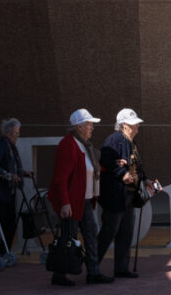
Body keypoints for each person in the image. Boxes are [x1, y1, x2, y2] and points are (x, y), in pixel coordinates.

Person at [48, 109, 114, 287]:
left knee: (91, 235)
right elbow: (59, 178)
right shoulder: (68, 145)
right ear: (79, 126)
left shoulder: (86, 145)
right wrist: (65, 203)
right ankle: (59, 275)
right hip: (72, 201)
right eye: (89, 124)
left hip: (84, 200)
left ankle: (93, 272)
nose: (92, 127)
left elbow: (91, 169)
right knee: (68, 238)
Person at [97, 108, 154, 279]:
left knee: (126, 232)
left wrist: (145, 179)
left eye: (136, 125)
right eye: (133, 125)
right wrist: (122, 174)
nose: (136, 128)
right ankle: (93, 266)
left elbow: (136, 166)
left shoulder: (130, 142)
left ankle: (121, 268)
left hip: (128, 196)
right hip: (115, 195)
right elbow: (106, 160)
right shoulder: (113, 140)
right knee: (109, 231)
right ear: (123, 125)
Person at [0, 118, 32, 253]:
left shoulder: (12, 147)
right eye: (16, 133)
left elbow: (13, 167)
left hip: (9, 192)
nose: (17, 137)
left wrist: (24, 173)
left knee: (10, 224)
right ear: (8, 133)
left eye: (18, 133)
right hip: (0, 192)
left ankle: (4, 251)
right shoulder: (2, 145)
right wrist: (10, 176)